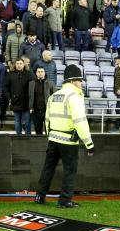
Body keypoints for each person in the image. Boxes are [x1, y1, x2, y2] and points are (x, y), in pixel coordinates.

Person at [34, 64, 94, 208]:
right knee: (70, 171)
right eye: (79, 80)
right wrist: (89, 144)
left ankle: (39, 196)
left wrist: (50, 135)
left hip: (53, 139)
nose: (81, 83)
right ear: (73, 81)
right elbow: (80, 122)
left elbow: (47, 119)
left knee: (48, 168)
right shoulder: (75, 97)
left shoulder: (54, 96)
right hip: (68, 141)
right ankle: (65, 200)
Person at [4, 56, 34, 134]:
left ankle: (28, 137)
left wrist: (32, 100)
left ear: (24, 64)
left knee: (27, 121)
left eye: (20, 63)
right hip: (15, 101)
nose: (19, 65)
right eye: (17, 64)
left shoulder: (29, 74)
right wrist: (9, 98)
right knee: (17, 121)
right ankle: (18, 136)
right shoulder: (10, 74)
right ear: (15, 65)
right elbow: (5, 87)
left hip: (26, 102)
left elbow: (33, 87)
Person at [28, 66, 55, 136]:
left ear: (44, 73)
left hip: (47, 111)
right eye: (38, 72)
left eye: (42, 72)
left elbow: (54, 96)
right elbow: (29, 96)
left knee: (48, 130)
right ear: (36, 73)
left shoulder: (50, 83)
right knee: (38, 131)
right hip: (35, 111)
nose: (40, 73)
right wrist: (30, 107)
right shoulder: (31, 83)